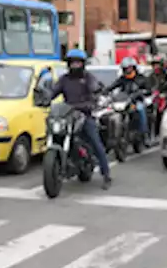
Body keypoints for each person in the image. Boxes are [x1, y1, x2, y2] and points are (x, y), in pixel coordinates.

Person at [46, 48, 112, 189]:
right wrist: (45, 97)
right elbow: (54, 91)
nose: (75, 65)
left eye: (78, 63)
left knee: (95, 141)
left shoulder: (88, 78)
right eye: (72, 62)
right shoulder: (64, 79)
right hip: (68, 114)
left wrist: (94, 96)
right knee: (55, 132)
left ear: (83, 64)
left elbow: (94, 88)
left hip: (84, 114)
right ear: (68, 64)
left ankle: (106, 174)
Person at [106, 57, 152, 145]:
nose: (128, 70)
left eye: (130, 68)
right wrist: (106, 91)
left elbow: (148, 88)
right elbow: (113, 86)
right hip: (125, 101)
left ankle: (145, 134)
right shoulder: (123, 79)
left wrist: (143, 92)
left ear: (134, 68)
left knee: (140, 109)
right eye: (126, 68)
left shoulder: (141, 78)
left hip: (137, 101)